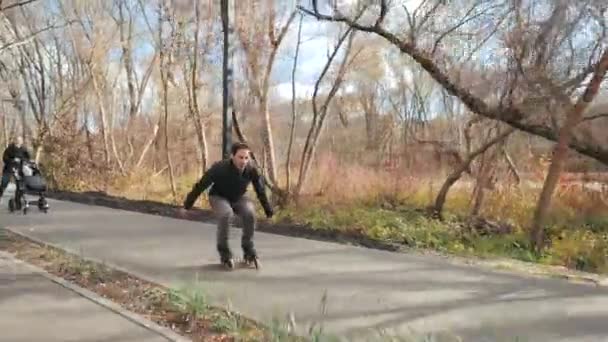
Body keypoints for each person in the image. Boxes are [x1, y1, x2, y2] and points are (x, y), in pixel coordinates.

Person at [178, 142, 274, 268]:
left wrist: (268, 210)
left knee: (250, 213)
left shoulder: (251, 170)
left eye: (246, 158)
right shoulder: (219, 168)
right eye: (240, 157)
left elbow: (260, 190)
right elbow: (201, 185)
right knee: (226, 214)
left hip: (239, 197)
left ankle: (249, 251)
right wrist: (187, 205)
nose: (244, 161)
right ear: (232, 156)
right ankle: (225, 253)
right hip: (218, 197)